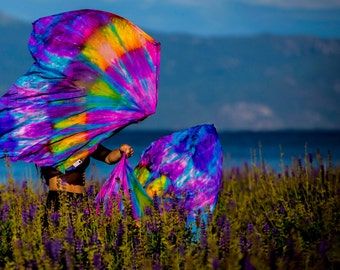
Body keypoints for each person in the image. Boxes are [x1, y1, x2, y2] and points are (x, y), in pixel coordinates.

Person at [41, 143, 134, 212]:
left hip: (81, 200)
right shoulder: (46, 141)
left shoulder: (82, 140)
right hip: (58, 199)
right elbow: (64, 166)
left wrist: (121, 152)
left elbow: (108, 157)